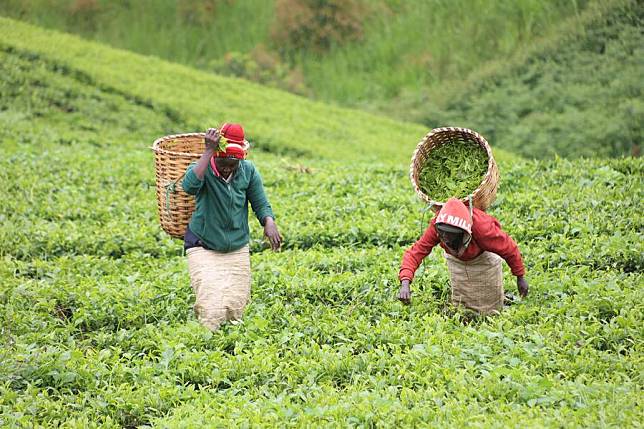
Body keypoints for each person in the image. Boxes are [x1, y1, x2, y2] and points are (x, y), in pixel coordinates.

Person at [181, 123, 282, 331]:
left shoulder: (248, 170)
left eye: (232, 164)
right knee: (211, 307)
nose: (227, 168)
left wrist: (268, 222)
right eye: (223, 162)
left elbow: (260, 202)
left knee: (235, 308)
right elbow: (188, 186)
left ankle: (230, 351)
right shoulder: (203, 167)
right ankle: (206, 348)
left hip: (236, 245)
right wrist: (208, 151)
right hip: (203, 243)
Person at [398, 198, 528, 315]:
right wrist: (405, 283)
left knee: (490, 309)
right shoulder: (438, 225)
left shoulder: (482, 229)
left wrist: (520, 276)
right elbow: (416, 252)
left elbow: (509, 248)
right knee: (462, 306)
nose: (445, 238)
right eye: (443, 234)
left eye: (451, 234)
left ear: (463, 232)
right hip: (458, 262)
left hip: (482, 259)